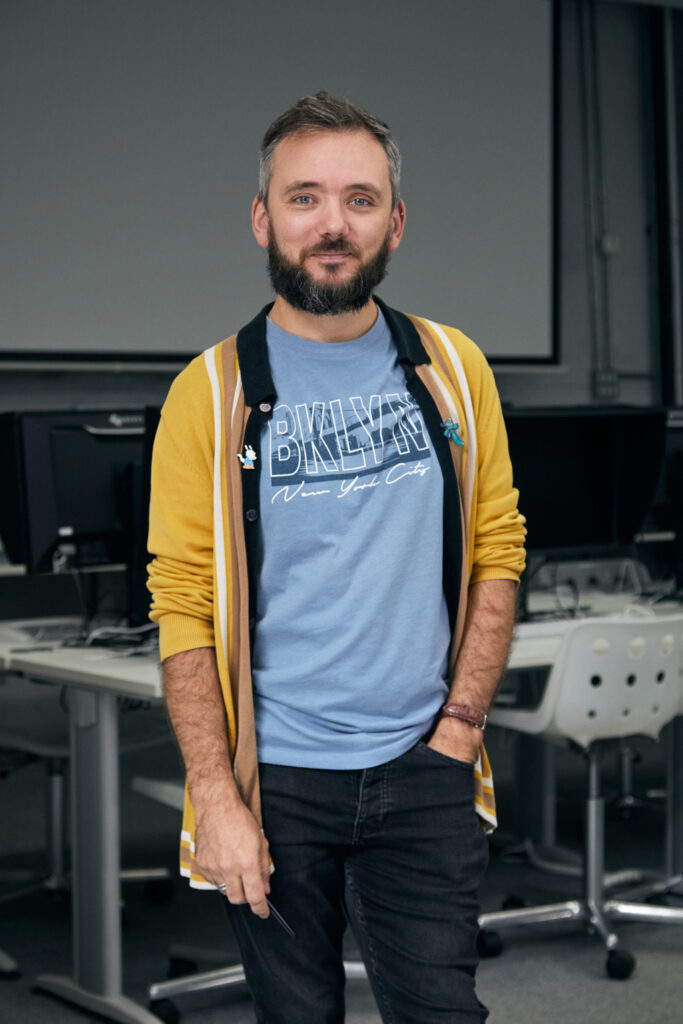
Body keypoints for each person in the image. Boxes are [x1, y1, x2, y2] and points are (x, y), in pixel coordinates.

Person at [147, 90, 526, 1024]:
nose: (331, 224)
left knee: (444, 1014)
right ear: (261, 217)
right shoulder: (210, 394)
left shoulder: (452, 368)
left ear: (394, 223)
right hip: (274, 781)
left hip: (424, 765)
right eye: (304, 196)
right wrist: (218, 797)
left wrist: (460, 729)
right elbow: (184, 600)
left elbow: (498, 548)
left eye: (359, 199)